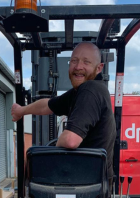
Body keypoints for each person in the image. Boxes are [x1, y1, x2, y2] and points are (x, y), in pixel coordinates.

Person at [11, 42, 116, 178]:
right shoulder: (78, 93)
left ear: (99, 68)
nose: (78, 67)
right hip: (87, 180)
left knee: (33, 162)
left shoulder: (90, 90)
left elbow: (70, 140)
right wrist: (22, 110)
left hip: (85, 184)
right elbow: (47, 105)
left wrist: (53, 152)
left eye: (86, 62)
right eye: (74, 60)